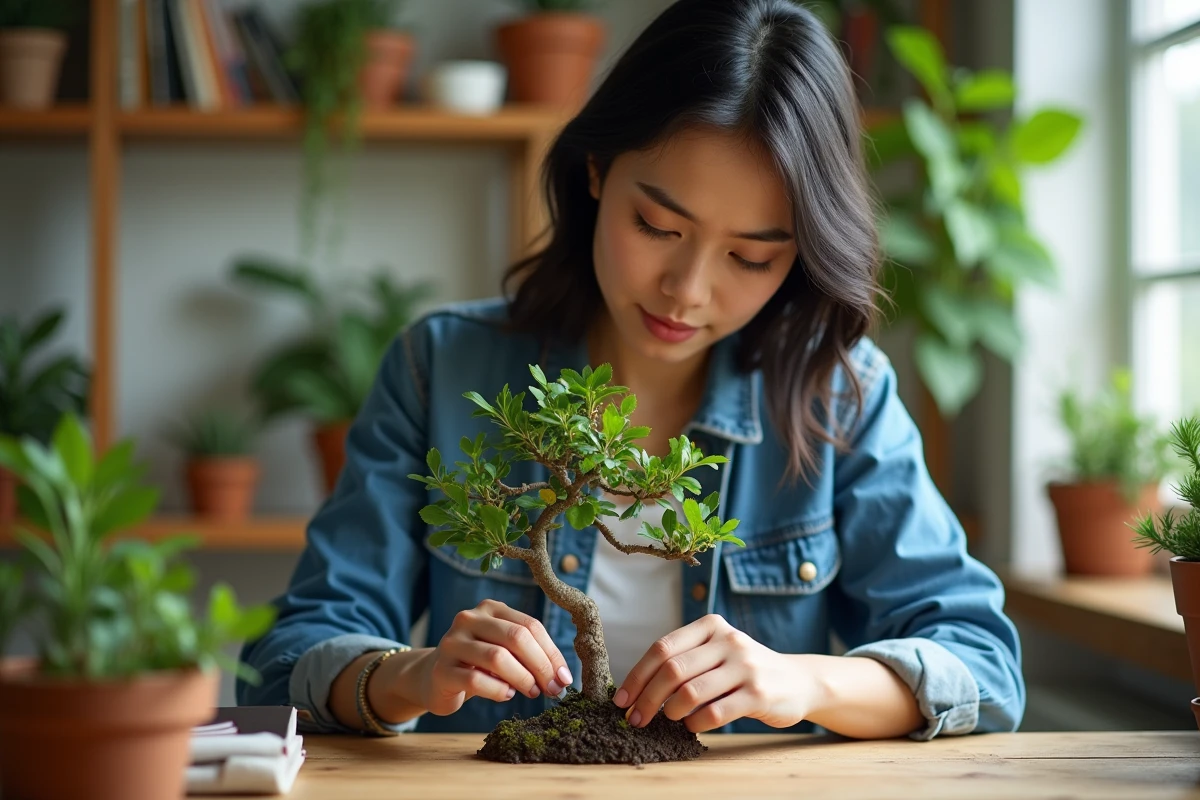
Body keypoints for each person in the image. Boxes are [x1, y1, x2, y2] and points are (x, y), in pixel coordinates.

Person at [239, 0, 1024, 741]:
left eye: (751, 257)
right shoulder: (442, 368)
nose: (688, 290)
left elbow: (984, 669)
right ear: (595, 170)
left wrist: (802, 682)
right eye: (656, 225)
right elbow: (284, 662)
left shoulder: (837, 395)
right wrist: (409, 675)